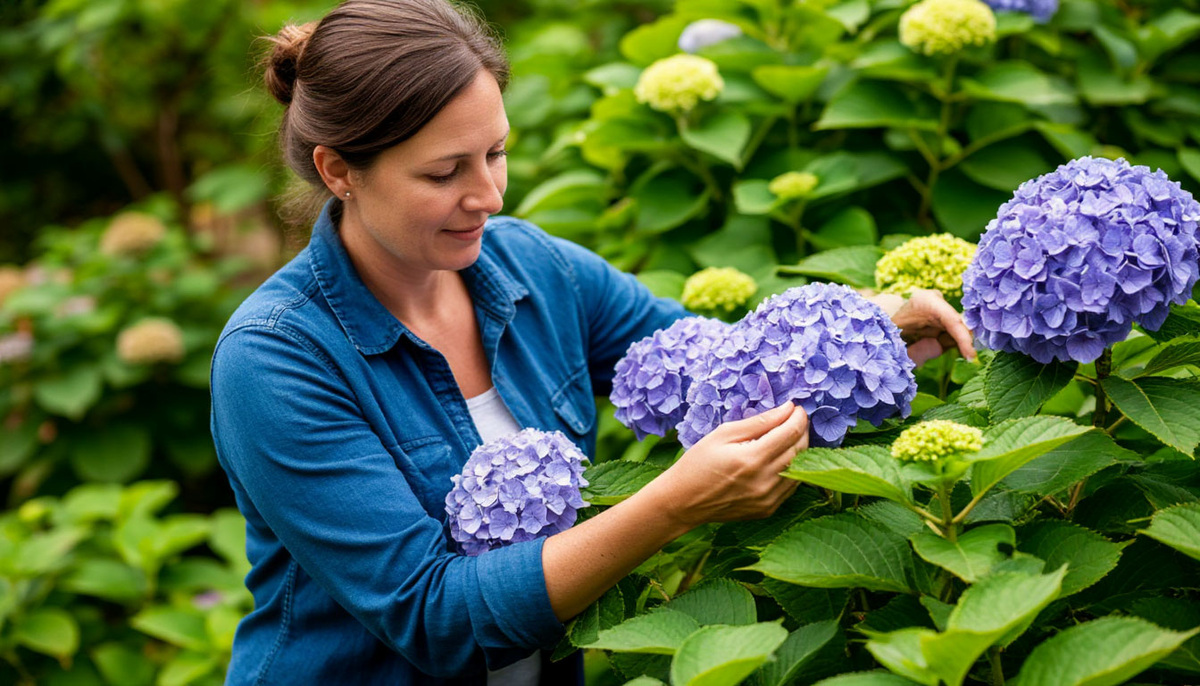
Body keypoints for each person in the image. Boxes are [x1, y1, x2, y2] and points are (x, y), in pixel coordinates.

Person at [209, 0, 976, 683]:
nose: (488, 195)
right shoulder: (277, 360)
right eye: (445, 172)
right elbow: (433, 617)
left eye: (495, 152)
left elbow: (715, 361)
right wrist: (673, 506)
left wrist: (868, 326)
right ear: (339, 170)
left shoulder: (534, 268)